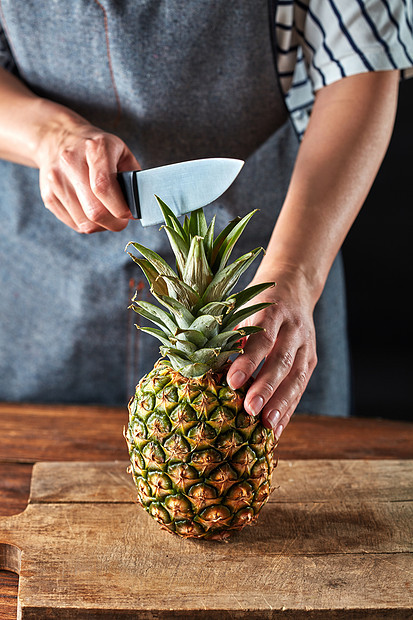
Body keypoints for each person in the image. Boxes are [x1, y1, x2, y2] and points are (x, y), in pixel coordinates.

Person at [0, 2, 411, 441]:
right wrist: (49, 135)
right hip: (43, 295)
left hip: (260, 296)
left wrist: (295, 274)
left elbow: (363, 64)